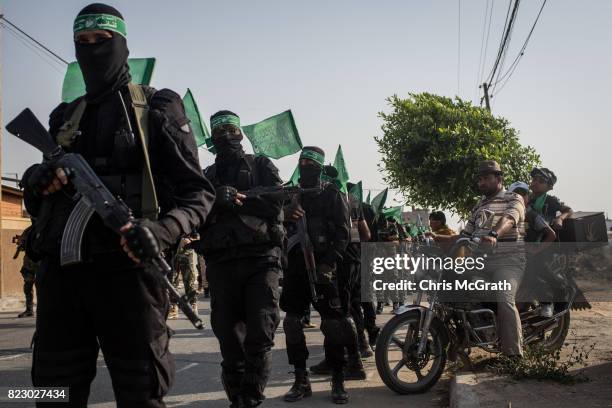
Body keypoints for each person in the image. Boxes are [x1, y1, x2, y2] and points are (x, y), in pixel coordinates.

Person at [20, 4, 215, 406]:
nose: (92, 51)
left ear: (122, 44)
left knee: (140, 391)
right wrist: (35, 181)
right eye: (83, 43)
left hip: (128, 275)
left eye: (103, 41)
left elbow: (198, 194)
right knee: (52, 391)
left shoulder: (156, 107)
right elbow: (39, 198)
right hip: (61, 274)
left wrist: (162, 231)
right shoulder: (65, 116)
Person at [199, 110, 284, 408]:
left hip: (260, 261)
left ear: (240, 133)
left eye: (230, 129)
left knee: (260, 334)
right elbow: (194, 213)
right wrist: (214, 200)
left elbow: (276, 206)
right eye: (219, 130)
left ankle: (250, 399)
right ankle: (237, 399)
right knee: (228, 340)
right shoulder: (207, 176)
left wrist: (238, 200)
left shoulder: (260, 165)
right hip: (221, 265)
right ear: (212, 138)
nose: (225, 135)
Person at [429, 161, 525, 358]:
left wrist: (494, 234)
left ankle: (514, 355)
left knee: (504, 299)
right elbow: (463, 235)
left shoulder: (513, 198)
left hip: (508, 261)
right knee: (453, 287)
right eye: (480, 179)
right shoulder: (480, 204)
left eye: (486, 178)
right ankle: (463, 338)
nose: (481, 182)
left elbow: (509, 219)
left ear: (499, 178)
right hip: (481, 263)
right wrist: (438, 239)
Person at [280, 146, 353, 404]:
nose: (304, 165)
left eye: (310, 162)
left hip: (324, 267)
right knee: (291, 323)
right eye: (301, 161)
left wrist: (329, 264)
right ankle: (301, 379)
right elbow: (276, 226)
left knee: (332, 325)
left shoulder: (332, 194)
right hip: (296, 268)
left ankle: (338, 378)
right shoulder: (291, 195)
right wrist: (285, 214)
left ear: (320, 167)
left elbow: (344, 234)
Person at [168, 233, 200, 319]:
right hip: (172, 245)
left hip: (186, 245)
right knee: (172, 278)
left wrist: (192, 238)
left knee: (189, 278)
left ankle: (193, 306)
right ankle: (174, 307)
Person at [13, 224, 39, 318]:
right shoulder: (28, 230)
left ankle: (42, 309)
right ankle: (29, 309)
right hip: (29, 264)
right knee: (28, 286)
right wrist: (21, 243)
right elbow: (22, 245)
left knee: (41, 286)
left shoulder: (45, 227)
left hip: (40, 263)